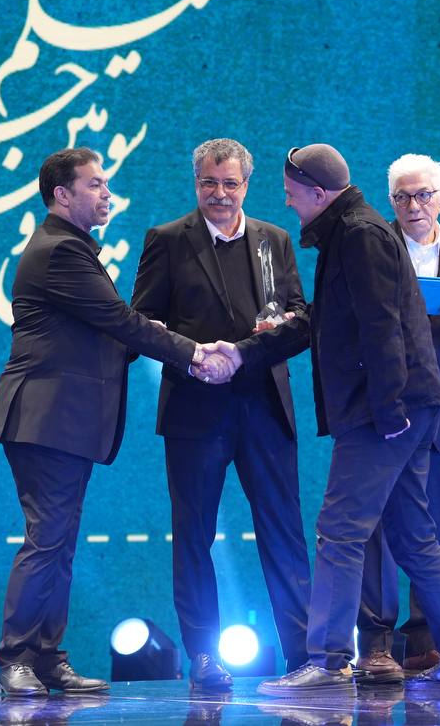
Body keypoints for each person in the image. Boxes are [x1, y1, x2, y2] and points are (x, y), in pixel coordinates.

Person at [0, 147, 229, 697]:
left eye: (105, 183)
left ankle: (47, 658)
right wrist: (194, 353)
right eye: (94, 184)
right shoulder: (59, 251)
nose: (106, 193)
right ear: (61, 195)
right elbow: (120, 321)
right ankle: (16, 660)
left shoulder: (73, 246)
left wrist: (163, 340)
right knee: (47, 542)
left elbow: (107, 334)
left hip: (62, 422)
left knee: (59, 544)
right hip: (44, 419)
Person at [255, 143, 440, 695]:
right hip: (409, 405)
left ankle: (327, 660)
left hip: (384, 410)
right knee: (414, 537)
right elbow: (341, 319)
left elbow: (383, 327)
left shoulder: (359, 234)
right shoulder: (356, 230)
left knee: (340, 530)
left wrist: (388, 413)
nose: (288, 204)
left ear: (318, 193)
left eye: (291, 194)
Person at [130, 138, 312, 689]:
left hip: (265, 406)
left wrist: (244, 354)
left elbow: (301, 321)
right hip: (195, 410)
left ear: (246, 186)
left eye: (230, 183)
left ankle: (304, 657)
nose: (220, 193)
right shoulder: (166, 240)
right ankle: (203, 658)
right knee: (193, 537)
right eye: (209, 182)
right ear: (196, 183)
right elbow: (141, 325)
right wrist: (195, 358)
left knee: (284, 534)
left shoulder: (275, 240)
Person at [355, 153, 440, 682]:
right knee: (374, 531)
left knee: (429, 532)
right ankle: (375, 645)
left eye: (423, 195)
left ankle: (425, 644)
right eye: (402, 197)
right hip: (383, 411)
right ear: (391, 201)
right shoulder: (373, 246)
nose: (413, 205)